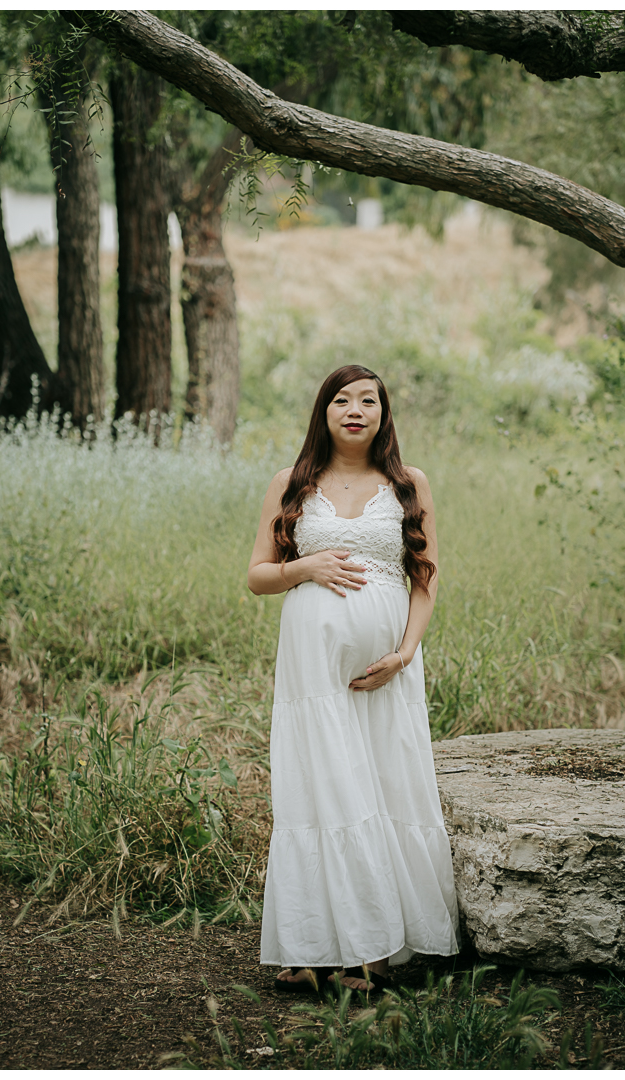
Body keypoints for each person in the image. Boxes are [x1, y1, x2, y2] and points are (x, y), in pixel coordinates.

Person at [248, 364, 459, 996]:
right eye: (342, 400)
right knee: (320, 792)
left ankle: (369, 951)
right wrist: (305, 566)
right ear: (325, 411)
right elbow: (258, 574)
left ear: (383, 413)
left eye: (368, 400)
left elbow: (425, 577)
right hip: (312, 674)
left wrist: (403, 653)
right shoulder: (291, 483)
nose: (355, 410)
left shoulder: (406, 483)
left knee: (380, 788)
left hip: (384, 673)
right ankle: (312, 946)